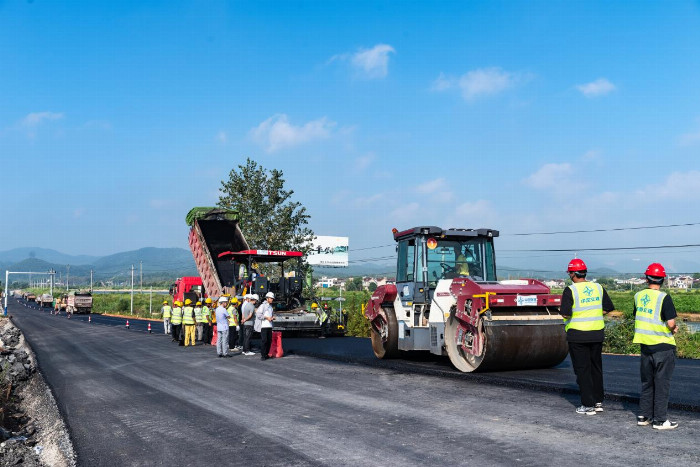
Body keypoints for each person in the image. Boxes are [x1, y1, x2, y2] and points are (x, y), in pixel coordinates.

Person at [559, 258, 615, 415]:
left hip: (578, 335)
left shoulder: (570, 290)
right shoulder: (598, 287)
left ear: (572, 274)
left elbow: (565, 313)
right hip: (597, 333)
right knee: (596, 368)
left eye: (570, 272)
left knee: (583, 370)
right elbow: (608, 307)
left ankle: (588, 405)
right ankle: (598, 402)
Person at [633, 263, 679, 430]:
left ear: (646, 279)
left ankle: (643, 416)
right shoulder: (663, 297)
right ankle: (659, 420)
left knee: (647, 382)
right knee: (662, 384)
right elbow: (670, 322)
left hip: (645, 346)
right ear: (663, 279)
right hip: (663, 347)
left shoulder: (638, 296)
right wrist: (674, 329)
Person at [257, 292, 275, 360]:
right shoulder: (263, 306)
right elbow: (258, 314)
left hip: (269, 326)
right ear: (267, 298)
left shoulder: (270, 307)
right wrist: (267, 318)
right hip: (264, 326)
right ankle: (263, 355)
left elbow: (271, 315)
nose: (272, 299)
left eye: (272, 298)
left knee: (269, 341)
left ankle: (267, 354)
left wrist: (272, 317)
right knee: (264, 341)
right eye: (271, 298)